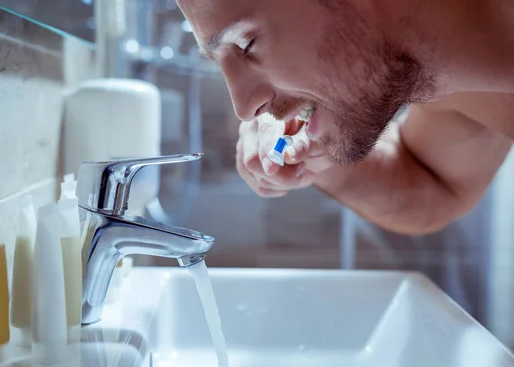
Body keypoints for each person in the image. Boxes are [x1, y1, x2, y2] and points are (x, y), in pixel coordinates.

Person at [176, 0, 514, 234]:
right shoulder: (445, 80)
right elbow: (437, 185)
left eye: (247, 43)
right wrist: (320, 164)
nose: (244, 108)